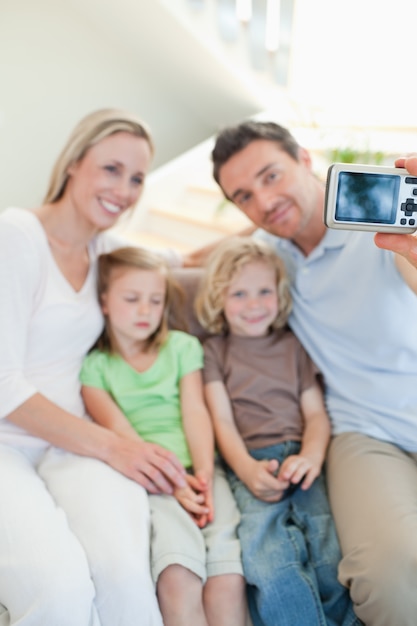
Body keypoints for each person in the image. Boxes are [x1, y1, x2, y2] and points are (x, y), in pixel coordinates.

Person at [202, 120, 417, 626]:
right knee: (389, 573)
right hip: (364, 431)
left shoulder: (381, 227)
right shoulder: (267, 265)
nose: (264, 202)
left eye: (271, 176)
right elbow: (215, 257)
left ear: (304, 158)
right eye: (244, 196)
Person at [0, 108, 188, 626]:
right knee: (60, 591)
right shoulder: (17, 234)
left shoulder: (105, 250)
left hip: (69, 444)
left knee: (124, 577)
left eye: (137, 178)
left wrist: (265, 247)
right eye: (111, 169)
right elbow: (2, 384)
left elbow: (175, 260)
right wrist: (117, 447)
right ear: (74, 163)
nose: (124, 190)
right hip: (8, 445)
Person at [195, 236, 360, 626]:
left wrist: (310, 458)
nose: (254, 305)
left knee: (329, 556)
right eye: (239, 294)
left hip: (303, 463)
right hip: (249, 463)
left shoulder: (293, 346)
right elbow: (221, 419)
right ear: (218, 299)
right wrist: (247, 470)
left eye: (264, 291)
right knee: (268, 561)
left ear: (280, 294)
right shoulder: (214, 351)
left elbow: (316, 415)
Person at [79, 246, 246, 626]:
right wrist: (173, 482)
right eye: (132, 299)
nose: (145, 311)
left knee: (227, 576)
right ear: (104, 301)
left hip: (201, 469)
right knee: (177, 572)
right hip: (149, 479)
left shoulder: (182, 347)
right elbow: (125, 438)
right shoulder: (96, 368)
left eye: (155, 301)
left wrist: (202, 474)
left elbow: (195, 411)